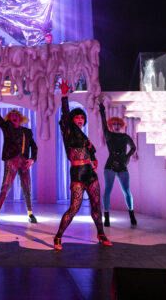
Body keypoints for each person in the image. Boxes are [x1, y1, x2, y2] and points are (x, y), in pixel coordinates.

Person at [53, 79, 111, 250]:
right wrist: (64, 96)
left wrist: (94, 159)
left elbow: (91, 150)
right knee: (74, 207)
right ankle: (58, 236)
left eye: (82, 117)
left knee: (96, 206)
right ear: (72, 120)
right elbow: (65, 114)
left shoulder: (83, 136)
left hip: (90, 173)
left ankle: (101, 234)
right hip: (77, 173)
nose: (80, 119)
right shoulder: (68, 131)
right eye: (77, 117)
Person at [0, 92, 38, 226]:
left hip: (24, 162)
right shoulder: (7, 128)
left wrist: (32, 159)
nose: (14, 116)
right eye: (12, 115)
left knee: (27, 187)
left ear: (20, 118)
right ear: (9, 118)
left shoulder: (27, 132)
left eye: (16, 115)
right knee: (5, 187)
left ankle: (30, 214)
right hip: (11, 161)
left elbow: (34, 147)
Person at [99, 101, 137, 226]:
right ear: (111, 125)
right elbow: (103, 123)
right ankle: (106, 217)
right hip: (110, 165)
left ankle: (131, 214)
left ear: (121, 125)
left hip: (122, 165)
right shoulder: (108, 135)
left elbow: (133, 147)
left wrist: (127, 157)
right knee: (108, 190)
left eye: (118, 124)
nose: (116, 126)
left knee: (126, 190)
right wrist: (101, 109)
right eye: (114, 124)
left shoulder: (125, 137)